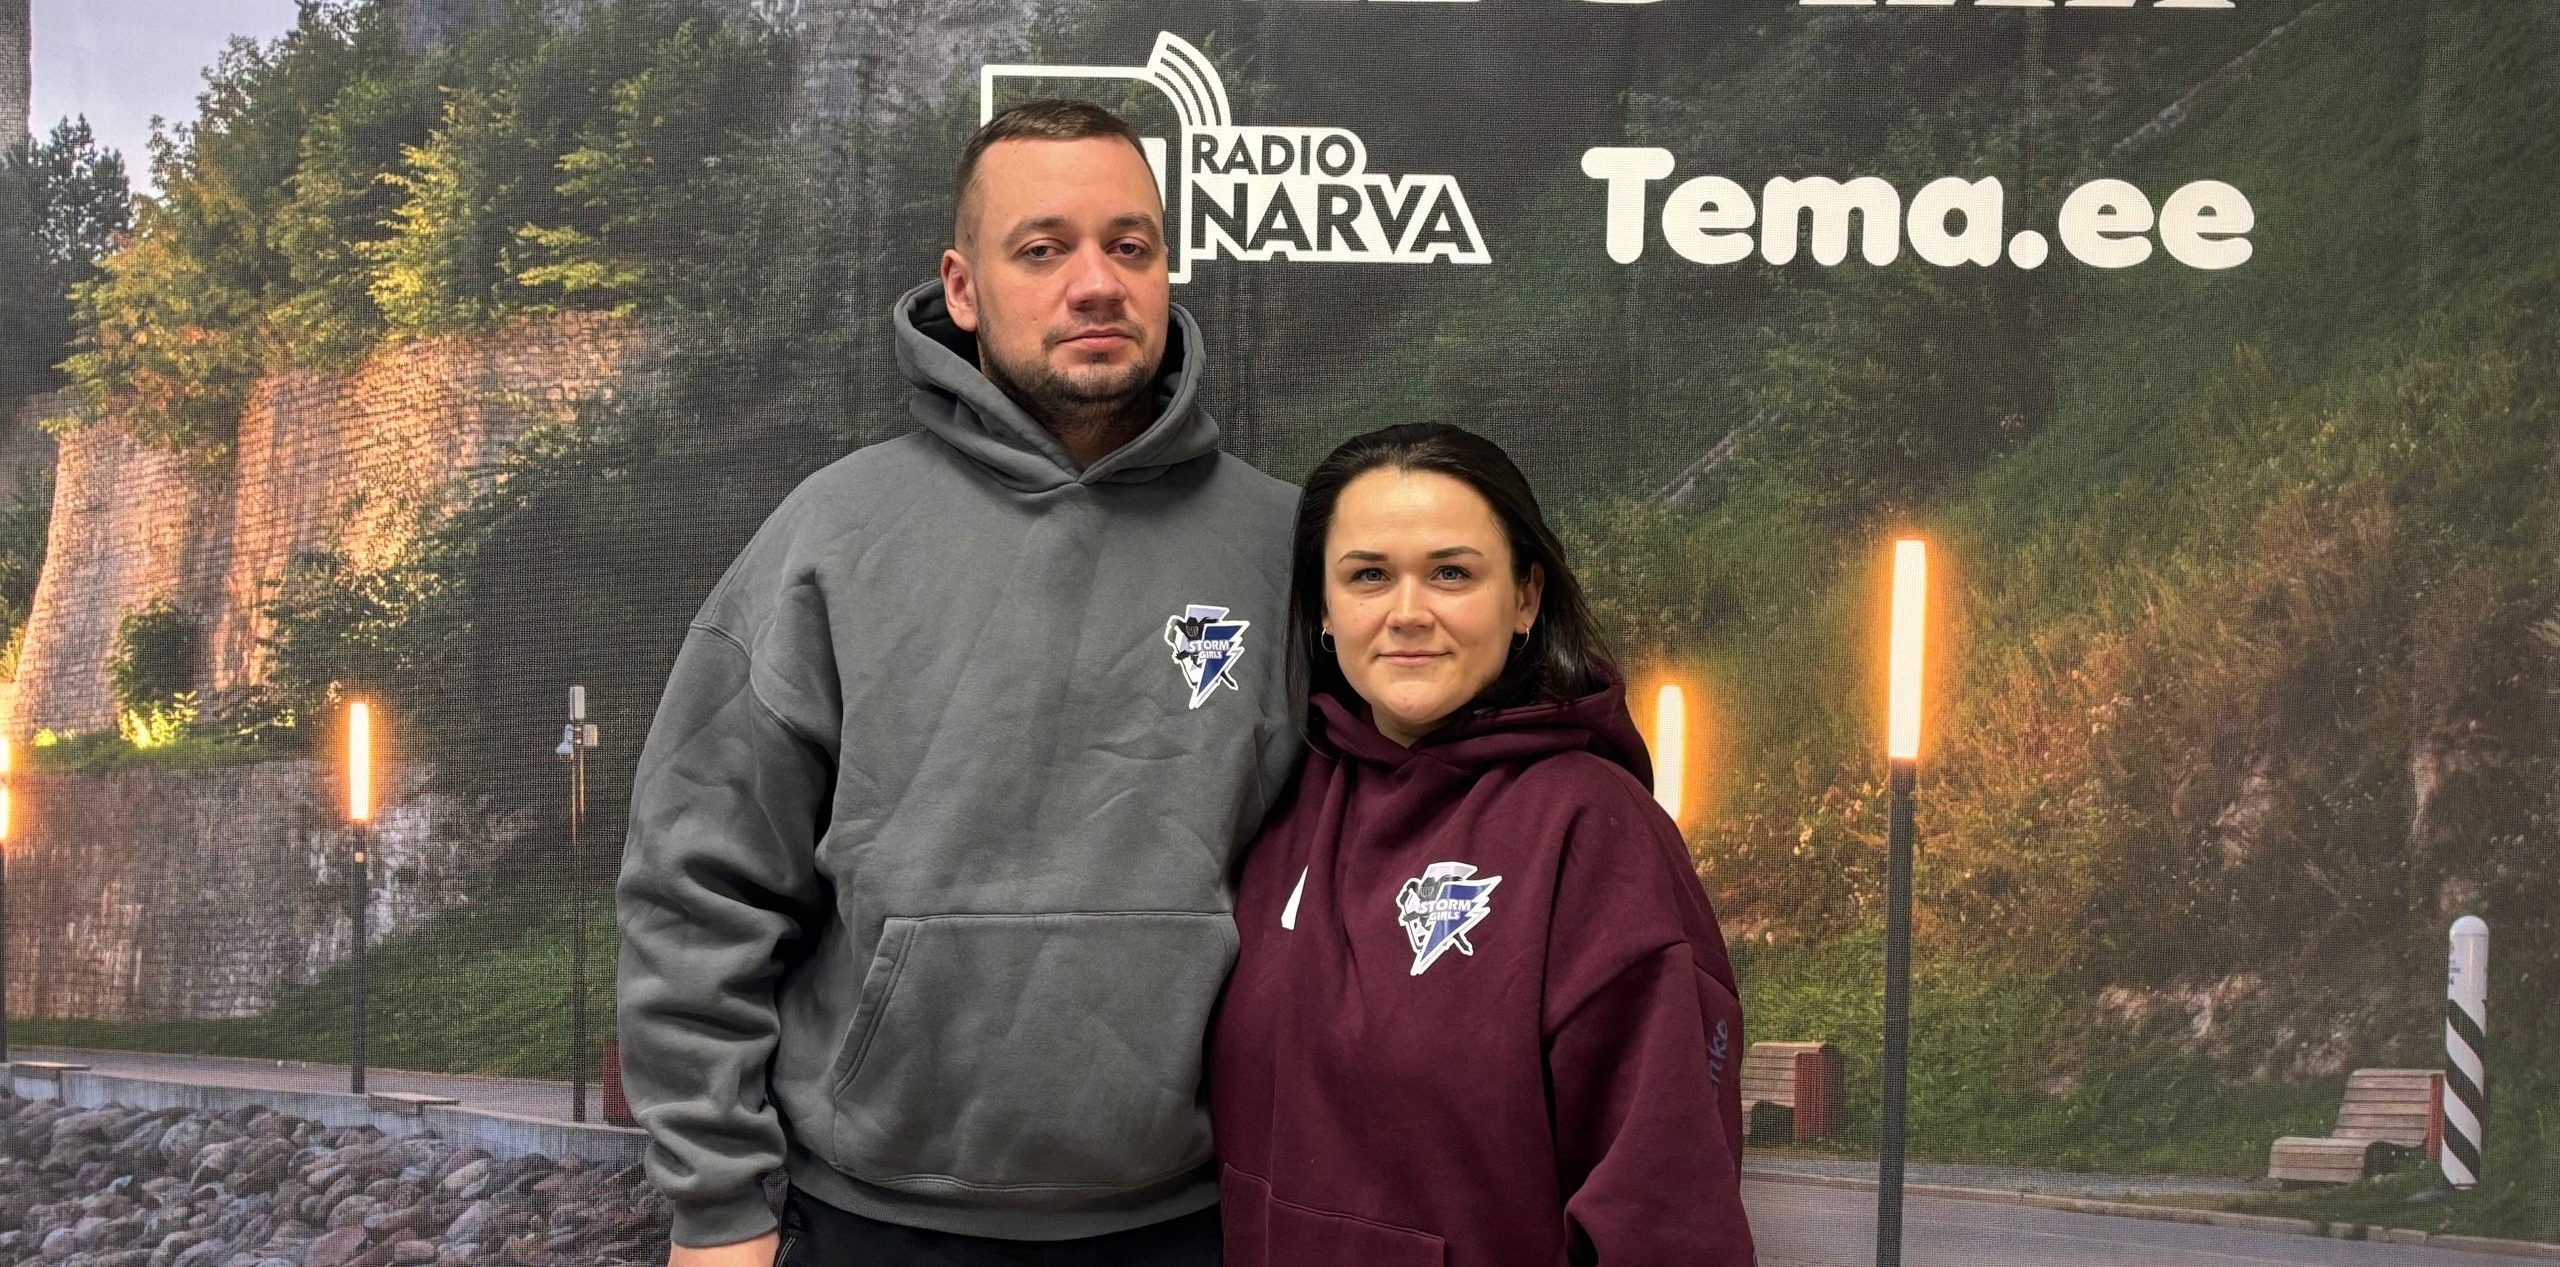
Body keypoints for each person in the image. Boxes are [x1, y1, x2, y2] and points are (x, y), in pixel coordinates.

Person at [615, 99, 1301, 1267]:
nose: (1096, 283)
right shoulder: (834, 534)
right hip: (872, 1223)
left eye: (1129, 246)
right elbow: (699, 881)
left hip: (1199, 1223)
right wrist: (717, 1199)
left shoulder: (1282, 545)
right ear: (964, 287)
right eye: (1043, 249)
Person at [1209, 423, 1757, 1267]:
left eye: (1452, 573)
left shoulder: (1594, 830)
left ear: (1526, 597)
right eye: (1368, 575)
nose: (1408, 612)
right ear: (1322, 607)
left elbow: (1666, 1209)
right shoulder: (1278, 793)